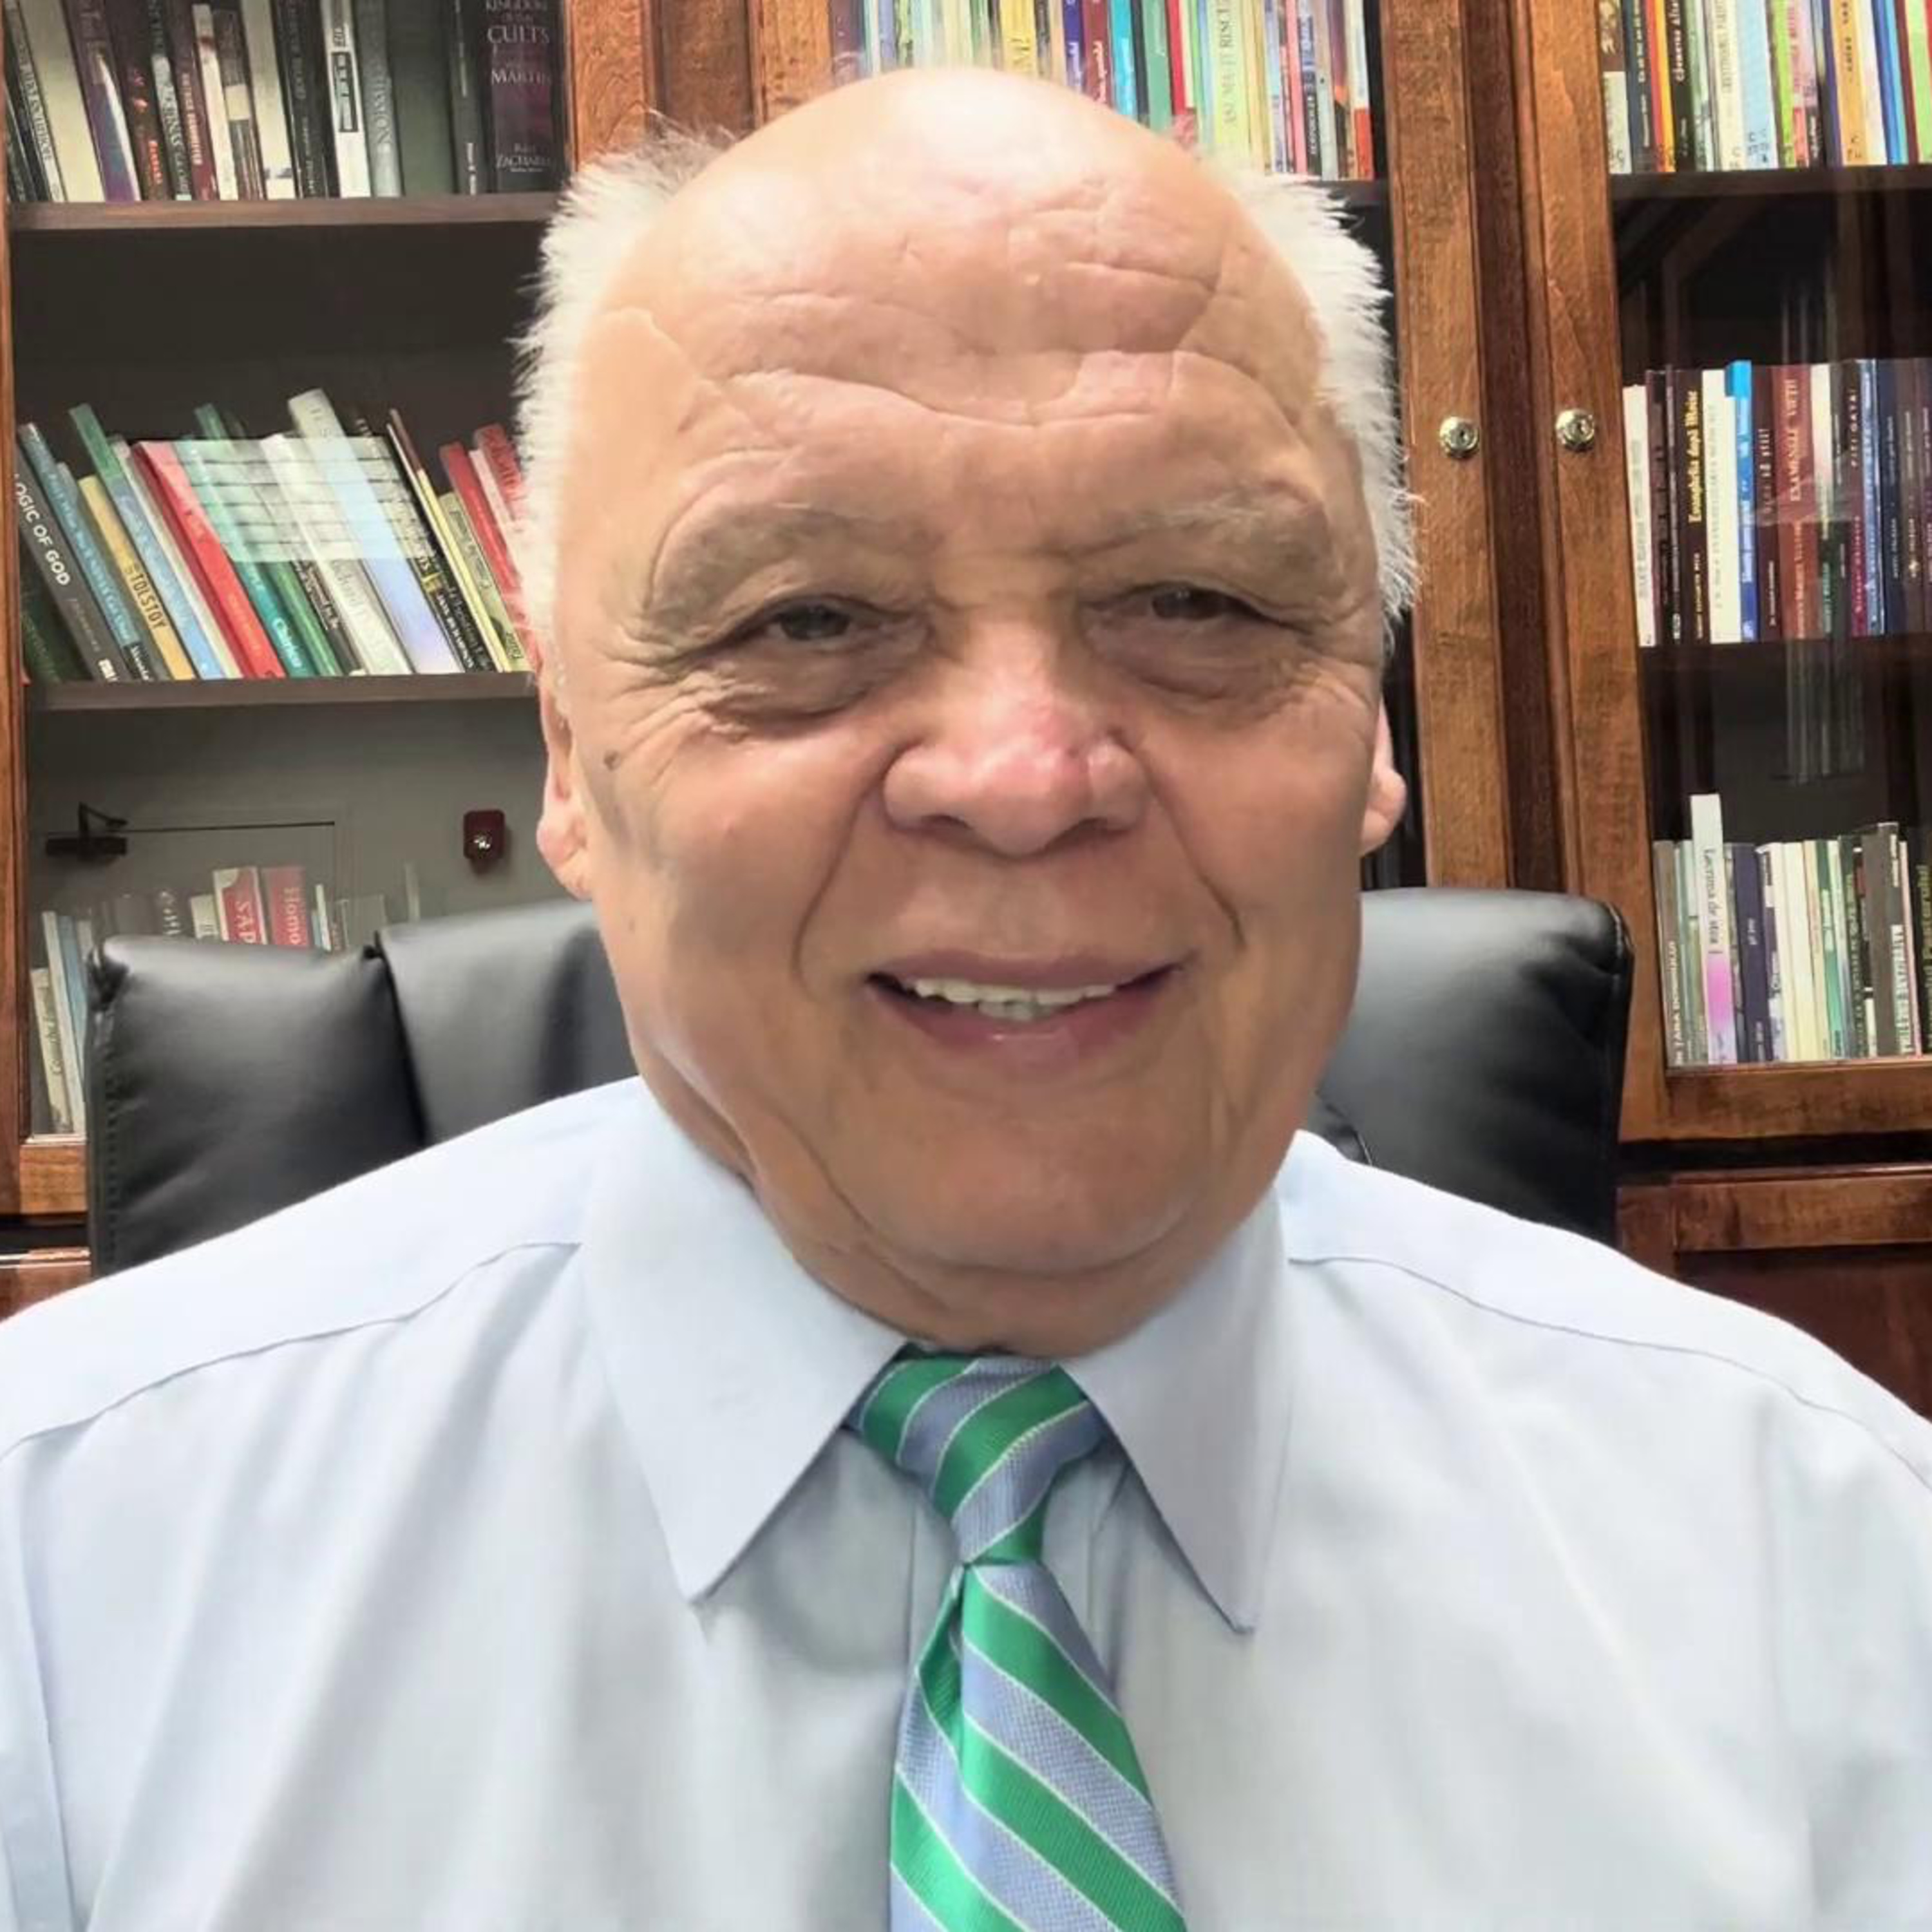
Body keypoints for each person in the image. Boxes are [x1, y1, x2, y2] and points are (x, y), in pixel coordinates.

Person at [3, 66, 1929, 1932]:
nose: (1024, 779)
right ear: (574, 758)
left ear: (1367, 733)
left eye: (1198, 604)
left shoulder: (1825, 1570)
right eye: (806, 620)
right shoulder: (63, 1585)